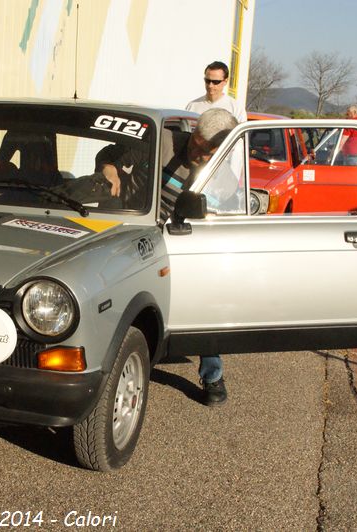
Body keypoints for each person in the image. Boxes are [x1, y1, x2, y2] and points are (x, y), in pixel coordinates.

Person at [98, 108, 239, 405]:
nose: (197, 152)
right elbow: (108, 155)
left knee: (206, 305)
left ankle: (212, 375)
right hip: (133, 233)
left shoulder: (225, 182)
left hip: (183, 246)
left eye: (208, 150)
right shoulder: (162, 142)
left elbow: (223, 225)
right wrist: (110, 170)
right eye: (196, 142)